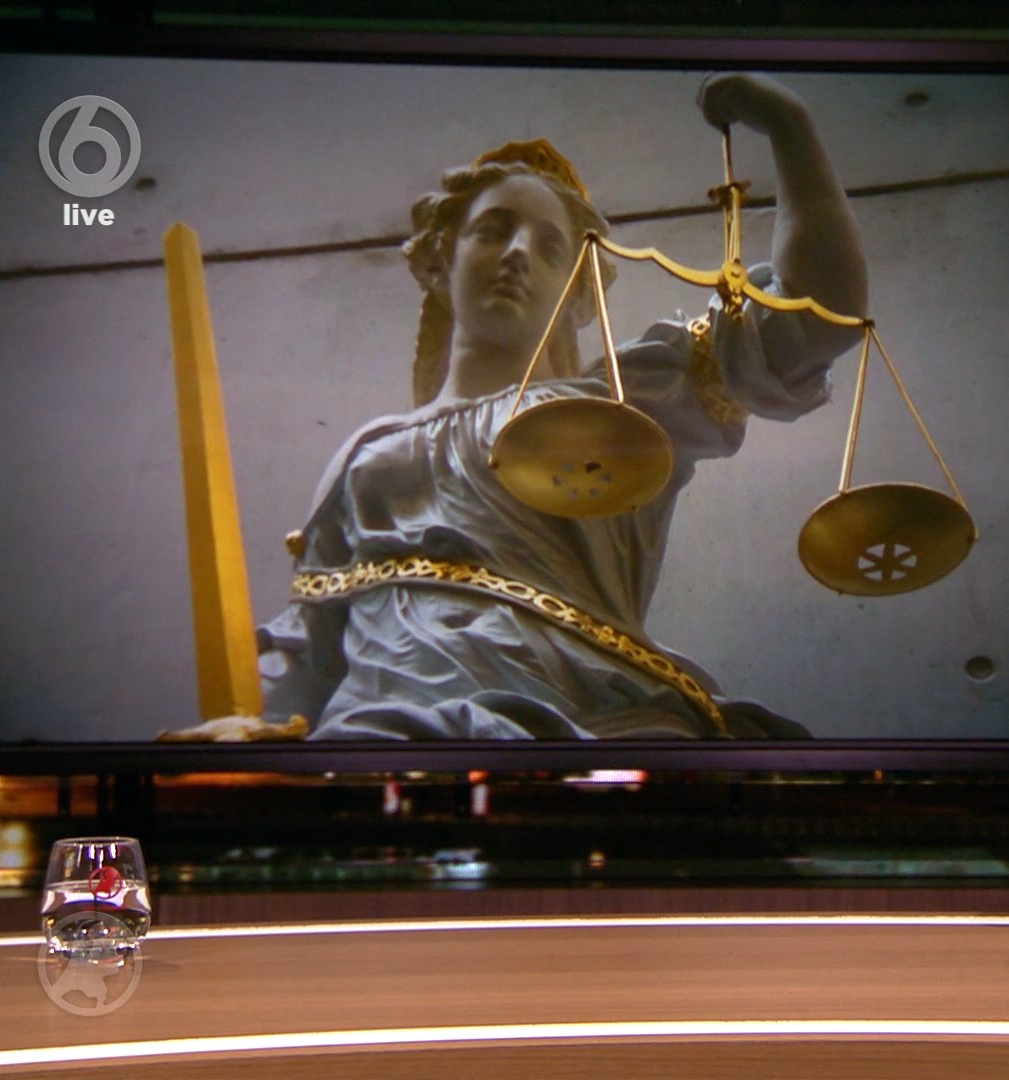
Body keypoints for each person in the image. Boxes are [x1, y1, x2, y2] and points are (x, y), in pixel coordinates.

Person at [192, 73, 866, 742]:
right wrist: (254, 733)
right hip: (376, 741)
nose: (517, 254)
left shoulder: (621, 407)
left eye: (549, 248)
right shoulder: (371, 451)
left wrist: (790, 126)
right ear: (439, 261)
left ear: (579, 295)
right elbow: (313, 637)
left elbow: (819, 319)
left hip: (575, 722)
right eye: (492, 231)